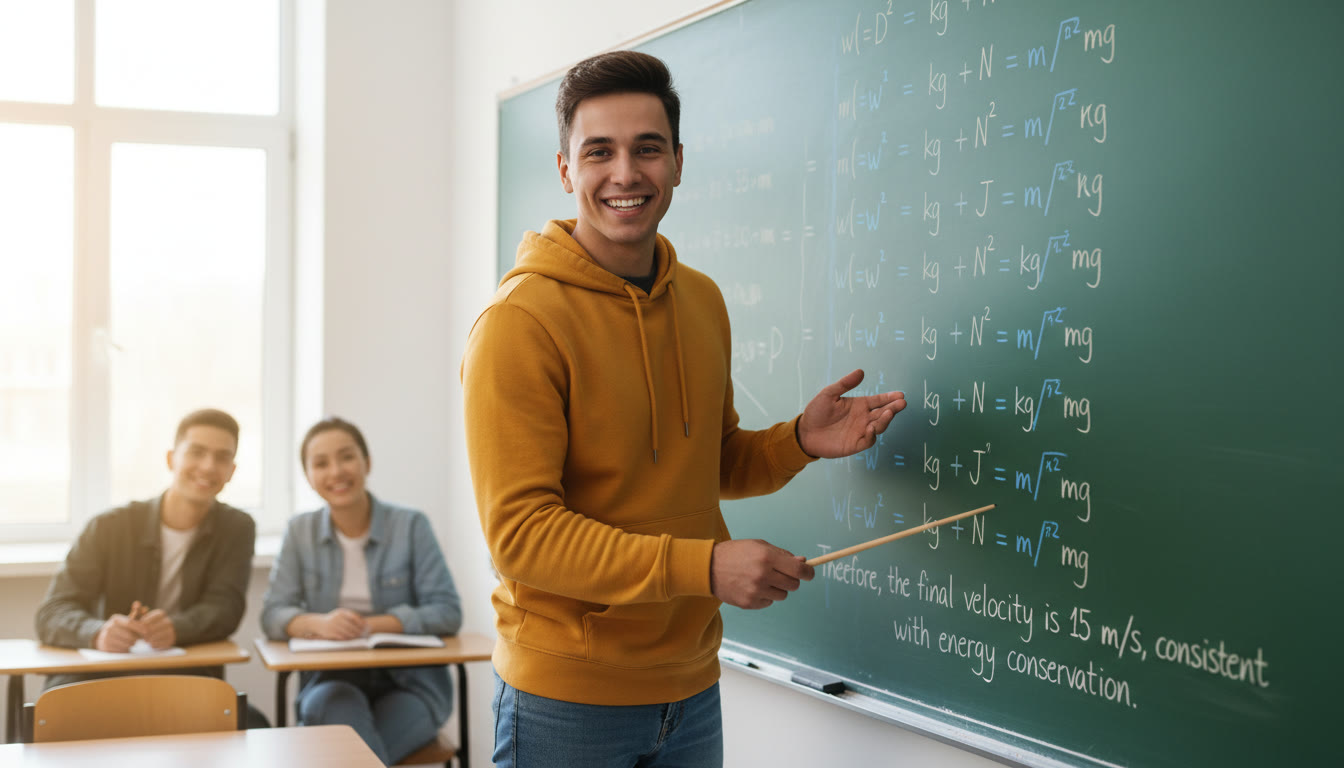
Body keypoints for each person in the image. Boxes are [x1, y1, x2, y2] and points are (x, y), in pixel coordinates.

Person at [461, 50, 907, 767]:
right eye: (599, 152)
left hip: (692, 690)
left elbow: (713, 461)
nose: (626, 173)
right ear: (566, 170)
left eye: (647, 149)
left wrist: (798, 440)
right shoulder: (519, 322)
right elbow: (523, 537)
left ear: (677, 161)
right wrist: (704, 569)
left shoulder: (699, 300)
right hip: (566, 702)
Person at [35, 408, 267, 727]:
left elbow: (225, 607)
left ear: (232, 470)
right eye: (197, 452)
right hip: (99, 677)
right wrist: (98, 632)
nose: (208, 467)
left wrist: (177, 628)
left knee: (254, 725)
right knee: (53, 718)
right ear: (171, 458)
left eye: (221, 457)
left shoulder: (237, 528)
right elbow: (53, 612)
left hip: (185, 678)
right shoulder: (109, 526)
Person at [261, 417, 463, 765]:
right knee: (335, 715)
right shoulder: (299, 531)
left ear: (367, 463)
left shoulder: (411, 525)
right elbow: (273, 614)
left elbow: (447, 611)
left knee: (350, 757)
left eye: (346, 457)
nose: (336, 471)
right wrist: (319, 623)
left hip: (412, 685)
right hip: (329, 681)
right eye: (321, 463)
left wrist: (373, 625)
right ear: (308, 476)